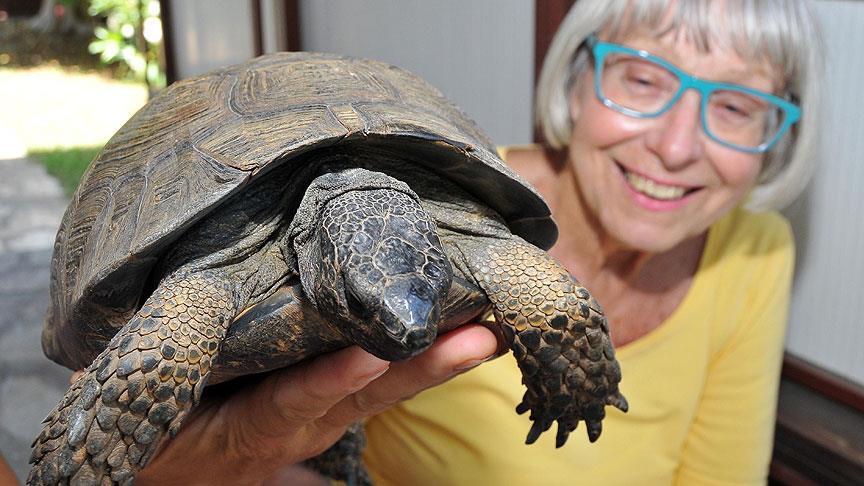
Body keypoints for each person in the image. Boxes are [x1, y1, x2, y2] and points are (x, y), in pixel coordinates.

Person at [138, 0, 822, 484]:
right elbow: (249, 434)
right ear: (578, 83)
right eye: (641, 79)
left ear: (778, 139)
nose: (676, 146)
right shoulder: (443, 209)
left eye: (736, 106)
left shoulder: (754, 251)